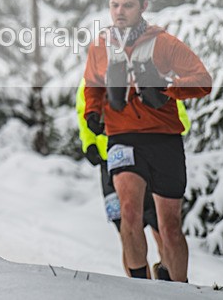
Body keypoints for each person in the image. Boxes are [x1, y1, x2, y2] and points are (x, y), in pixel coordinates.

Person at [82, 0, 211, 282]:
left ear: (143, 6)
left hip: (164, 139)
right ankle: (140, 288)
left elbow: (203, 80)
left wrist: (168, 89)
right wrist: (92, 114)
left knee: (169, 225)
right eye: (115, 5)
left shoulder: (163, 42)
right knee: (129, 213)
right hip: (121, 137)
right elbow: (92, 87)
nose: (120, 11)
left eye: (128, 4)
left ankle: (180, 288)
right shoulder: (101, 46)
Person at [76, 79, 192, 280]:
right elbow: (83, 111)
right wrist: (89, 143)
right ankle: (140, 287)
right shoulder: (94, 77)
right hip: (110, 161)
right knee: (126, 225)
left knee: (160, 226)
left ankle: (168, 276)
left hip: (150, 153)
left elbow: (177, 110)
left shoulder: (151, 72)